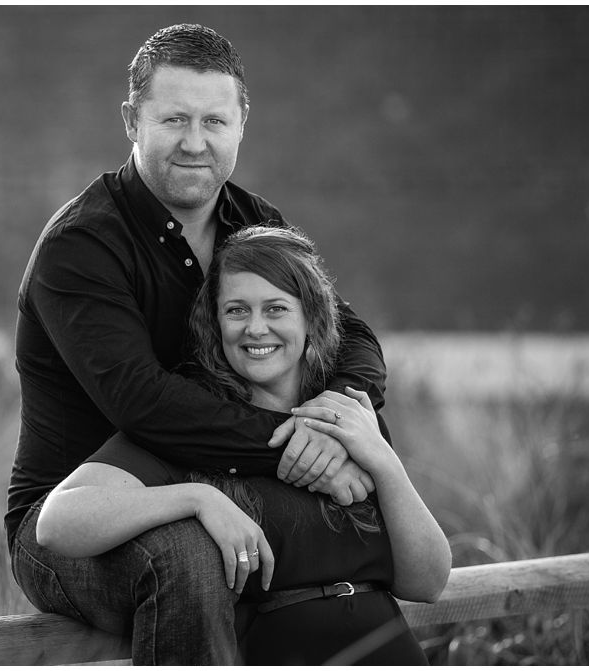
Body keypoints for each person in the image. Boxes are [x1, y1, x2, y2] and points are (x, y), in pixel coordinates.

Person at [7, 23, 390, 664]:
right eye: (174, 120)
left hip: (226, 491)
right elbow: (143, 402)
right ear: (133, 120)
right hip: (76, 523)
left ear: (242, 122)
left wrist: (340, 423)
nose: (194, 142)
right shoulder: (82, 246)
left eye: (214, 121)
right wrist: (295, 450)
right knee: (188, 554)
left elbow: (348, 334)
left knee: (340, 545)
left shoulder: (255, 223)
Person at [36, 226, 452, 664]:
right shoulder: (193, 427)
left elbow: (427, 581)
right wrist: (198, 498)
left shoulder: (346, 419)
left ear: (311, 319)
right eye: (236, 311)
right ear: (214, 323)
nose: (256, 328)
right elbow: (58, 521)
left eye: (276, 309)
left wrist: (382, 460)